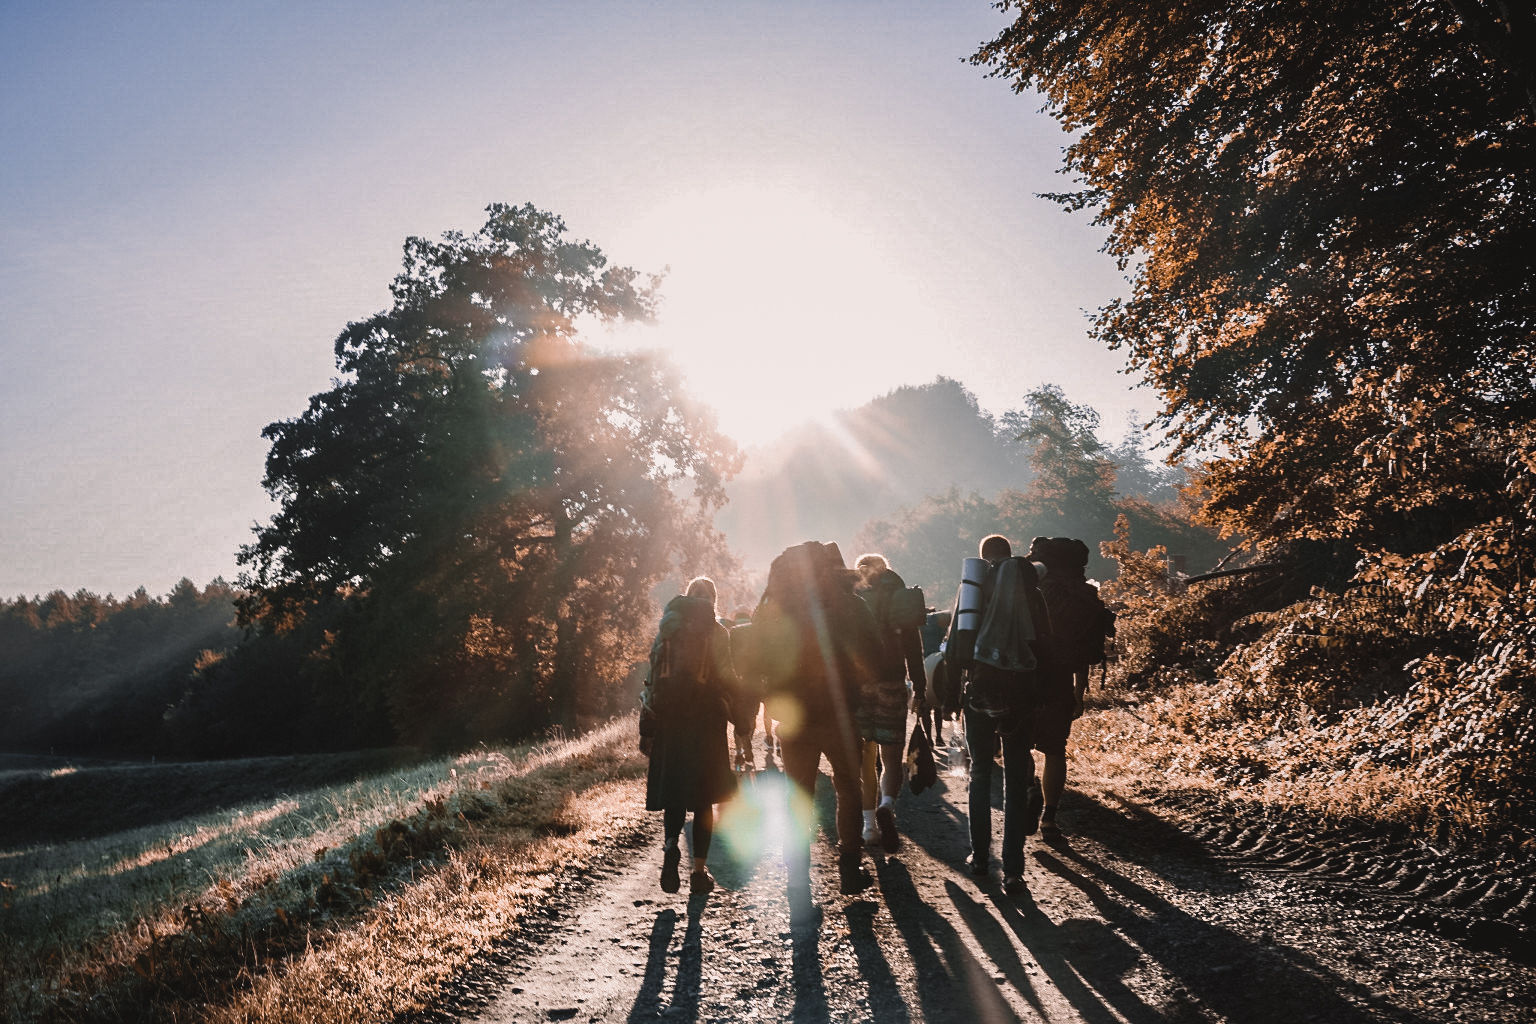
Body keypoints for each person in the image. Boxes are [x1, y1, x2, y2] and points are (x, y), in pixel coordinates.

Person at [755, 541, 883, 926]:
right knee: (848, 787)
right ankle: (849, 868)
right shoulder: (852, 606)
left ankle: (798, 886)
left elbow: (759, 658)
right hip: (841, 715)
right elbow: (875, 656)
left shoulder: (778, 608)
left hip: (794, 718)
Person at [948, 533, 1060, 895]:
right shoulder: (1032, 593)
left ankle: (980, 858)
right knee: (1015, 777)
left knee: (980, 771)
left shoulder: (971, 592)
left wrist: (951, 698)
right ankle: (1013, 871)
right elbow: (1046, 647)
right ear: (1012, 559)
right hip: (1021, 695)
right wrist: (1044, 696)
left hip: (979, 692)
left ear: (983, 560)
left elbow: (955, 649)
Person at [639, 576, 741, 895]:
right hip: (706, 723)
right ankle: (699, 871)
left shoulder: (667, 628)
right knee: (703, 799)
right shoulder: (718, 631)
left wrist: (649, 723)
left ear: (686, 595)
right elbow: (725, 676)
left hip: (670, 720)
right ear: (711, 600)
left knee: (674, 793)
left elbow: (652, 677)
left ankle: (671, 848)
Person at [1026, 537, 1108, 834]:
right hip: (1062, 682)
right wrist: (1079, 692)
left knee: (1020, 743)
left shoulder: (1034, 591)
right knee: (1055, 750)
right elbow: (1082, 649)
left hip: (1028, 679)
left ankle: (1028, 789)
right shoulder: (1082, 596)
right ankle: (1050, 817)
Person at [852, 553, 928, 854]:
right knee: (891, 755)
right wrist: (920, 688)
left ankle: (869, 827)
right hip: (894, 683)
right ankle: (887, 804)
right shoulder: (901, 596)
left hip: (861, 685)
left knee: (865, 757)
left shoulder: (855, 596)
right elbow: (913, 647)